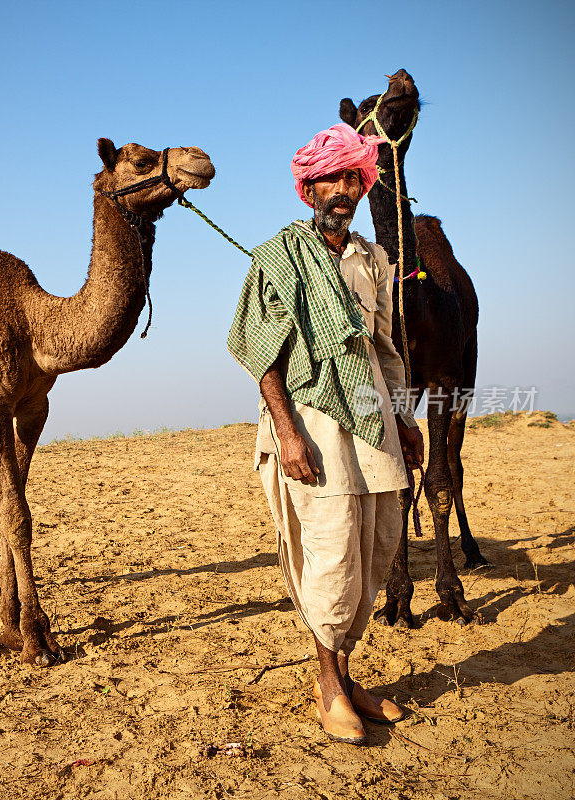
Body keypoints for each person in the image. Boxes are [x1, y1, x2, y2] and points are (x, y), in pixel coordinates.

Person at [227, 123, 424, 744]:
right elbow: (261, 354)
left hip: (373, 420)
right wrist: (287, 433)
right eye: (330, 177)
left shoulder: (373, 260)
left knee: (375, 549)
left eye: (352, 177)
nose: (342, 188)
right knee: (332, 555)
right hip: (311, 426)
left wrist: (405, 417)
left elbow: (387, 348)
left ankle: (346, 674)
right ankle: (328, 689)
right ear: (308, 186)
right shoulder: (276, 257)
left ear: (364, 186)